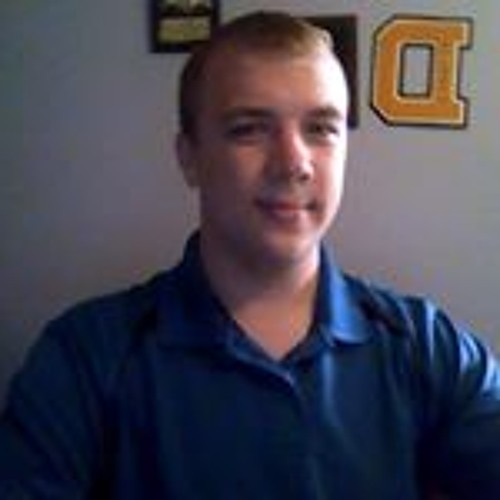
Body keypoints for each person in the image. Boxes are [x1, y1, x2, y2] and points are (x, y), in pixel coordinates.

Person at [1, 10, 499, 499]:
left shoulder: (428, 348)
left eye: (321, 128)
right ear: (189, 157)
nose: (293, 163)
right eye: (249, 129)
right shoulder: (85, 358)